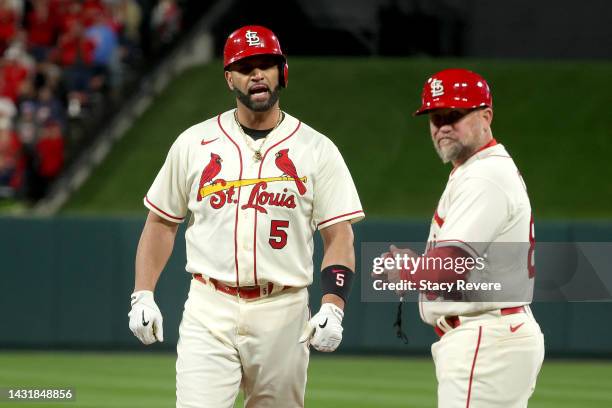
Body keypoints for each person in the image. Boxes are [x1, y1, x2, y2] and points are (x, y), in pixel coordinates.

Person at [128, 25, 364, 408]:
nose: (257, 74)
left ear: (281, 71)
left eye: (266, 64)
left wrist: (333, 307)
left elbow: (340, 236)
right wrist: (142, 294)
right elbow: (161, 222)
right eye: (245, 66)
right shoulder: (194, 143)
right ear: (229, 78)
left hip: (283, 311)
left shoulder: (317, 149)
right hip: (209, 306)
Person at [381, 68, 544, 407]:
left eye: (453, 115)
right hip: (493, 335)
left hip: (485, 338)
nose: (441, 126)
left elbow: (445, 270)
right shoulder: (479, 170)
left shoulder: (484, 177)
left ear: (486, 116)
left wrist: (407, 267)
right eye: (434, 116)